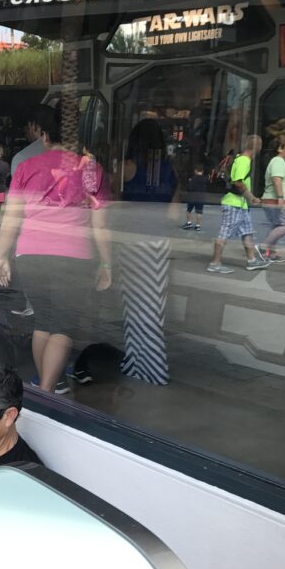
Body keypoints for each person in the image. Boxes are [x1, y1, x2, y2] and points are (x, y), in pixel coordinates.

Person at [0, 105, 111, 395]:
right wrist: (107, 264)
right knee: (63, 326)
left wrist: (1, 258)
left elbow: (11, 218)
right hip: (74, 257)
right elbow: (101, 226)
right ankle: (47, 390)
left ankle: (46, 385)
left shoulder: (25, 168)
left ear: (44, 136)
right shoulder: (91, 170)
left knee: (43, 322)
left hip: (31, 255)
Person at [118, 118, 177, 386]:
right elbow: (175, 214)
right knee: (154, 306)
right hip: (159, 242)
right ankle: (151, 364)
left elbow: (113, 207)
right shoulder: (170, 171)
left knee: (133, 306)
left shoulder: (126, 168)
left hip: (131, 243)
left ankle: (140, 363)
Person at [207, 135, 269, 274]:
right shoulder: (243, 161)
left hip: (241, 205)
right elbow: (238, 182)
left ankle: (252, 261)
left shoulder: (241, 159)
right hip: (234, 203)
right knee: (224, 232)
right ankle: (215, 263)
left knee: (247, 232)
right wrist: (252, 197)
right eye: (260, 146)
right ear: (256, 148)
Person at [259, 133, 285, 263]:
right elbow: (276, 179)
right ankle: (263, 248)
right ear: (280, 149)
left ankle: (271, 253)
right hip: (278, 200)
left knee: (276, 226)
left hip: (274, 199)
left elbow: (279, 179)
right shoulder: (278, 161)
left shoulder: (278, 162)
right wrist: (281, 197)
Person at [10, 105, 51, 177]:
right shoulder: (69, 151)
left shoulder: (21, 158)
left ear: (32, 125)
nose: (26, 134)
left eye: (27, 128)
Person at [182, 163, 208, 231]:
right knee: (199, 212)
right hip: (201, 197)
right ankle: (198, 225)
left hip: (192, 196)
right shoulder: (205, 178)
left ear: (196, 170)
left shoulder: (193, 178)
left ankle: (189, 223)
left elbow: (189, 188)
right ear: (202, 171)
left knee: (188, 210)